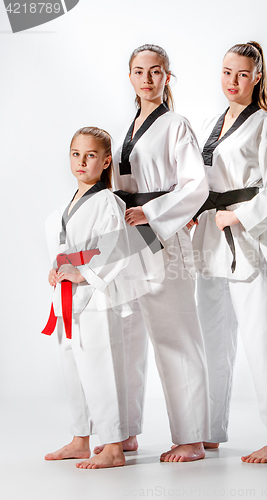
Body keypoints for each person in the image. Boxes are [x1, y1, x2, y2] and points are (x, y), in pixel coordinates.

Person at [95, 44, 210, 462]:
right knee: (126, 335)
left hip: (162, 235)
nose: (147, 79)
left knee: (174, 334)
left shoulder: (176, 124)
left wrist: (155, 211)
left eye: (156, 71)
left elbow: (195, 185)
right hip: (129, 235)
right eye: (139, 71)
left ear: (167, 77)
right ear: (130, 77)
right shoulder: (126, 130)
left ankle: (192, 436)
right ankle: (124, 432)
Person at [192, 41, 267, 463]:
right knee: (212, 340)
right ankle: (209, 430)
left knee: (266, 338)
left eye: (241, 74)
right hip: (208, 242)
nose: (232, 82)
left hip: (250, 245)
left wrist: (240, 216)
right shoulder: (210, 122)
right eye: (226, 72)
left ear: (257, 76)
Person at [42, 127, 131, 469]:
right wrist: (58, 268)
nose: (82, 161)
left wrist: (83, 273)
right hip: (68, 298)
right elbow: (68, 249)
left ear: (106, 161)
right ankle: (81, 438)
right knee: (74, 367)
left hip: (96, 297)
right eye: (76, 154)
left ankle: (112, 445)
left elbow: (117, 248)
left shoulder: (107, 200)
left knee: (100, 367)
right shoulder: (70, 205)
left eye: (91, 155)